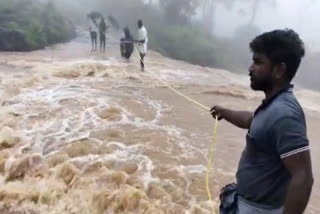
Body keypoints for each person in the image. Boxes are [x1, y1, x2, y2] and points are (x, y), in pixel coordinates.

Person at [211, 29, 313, 214]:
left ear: (279, 70)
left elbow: (303, 177)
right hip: (243, 203)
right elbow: (252, 121)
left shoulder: (284, 115)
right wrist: (225, 112)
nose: (250, 68)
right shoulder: (273, 105)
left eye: (258, 62)